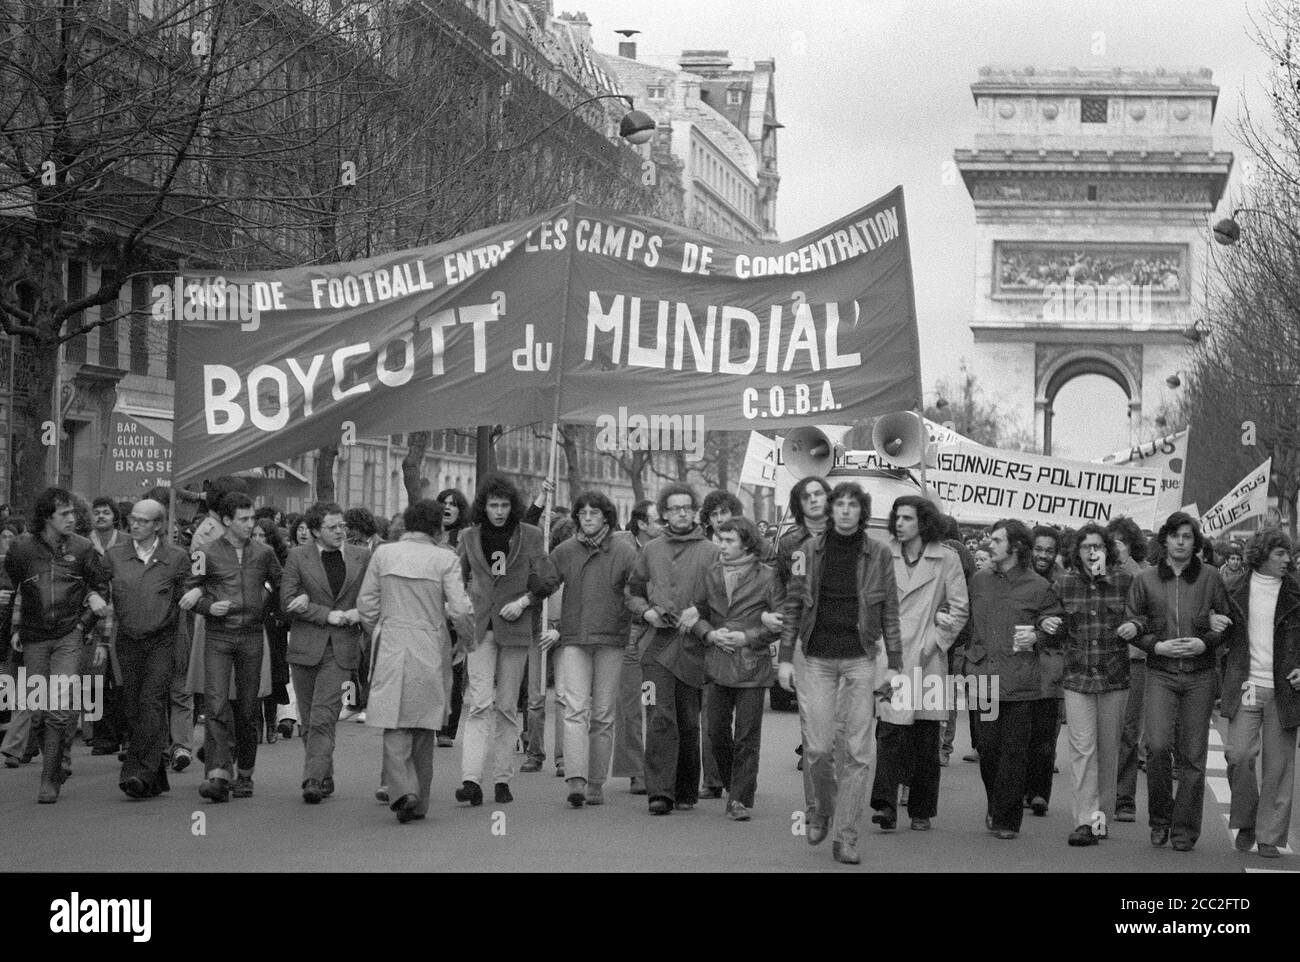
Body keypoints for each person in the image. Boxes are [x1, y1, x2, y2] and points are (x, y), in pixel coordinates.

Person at [777, 483, 902, 865]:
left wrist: (895, 665)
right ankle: (822, 808)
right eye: (840, 504)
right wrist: (784, 657)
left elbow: (891, 612)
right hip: (816, 659)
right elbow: (794, 604)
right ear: (830, 511)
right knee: (817, 748)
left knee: (858, 752)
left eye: (853, 505)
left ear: (861, 512)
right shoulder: (805, 552)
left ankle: (846, 836)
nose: (845, 511)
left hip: (861, 659)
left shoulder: (879, 552)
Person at [1120, 510, 1232, 852]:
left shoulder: (1211, 578)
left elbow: (1228, 624)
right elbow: (1133, 623)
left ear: (1195, 542)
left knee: (1193, 757)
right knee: (1155, 748)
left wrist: (1206, 642)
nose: (1181, 542)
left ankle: (1184, 830)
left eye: (1187, 537)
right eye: (1175, 536)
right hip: (1160, 673)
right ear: (1165, 540)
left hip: (1199, 675)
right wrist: (1156, 644)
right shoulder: (1146, 579)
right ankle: (1160, 820)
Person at [358, 499, 473, 823]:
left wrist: (380, 627)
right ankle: (418, 799)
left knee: (394, 723)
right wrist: (466, 640)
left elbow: (366, 605)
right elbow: (460, 609)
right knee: (424, 723)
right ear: (438, 527)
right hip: (430, 641)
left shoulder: (384, 554)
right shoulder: (445, 558)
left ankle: (401, 789)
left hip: (393, 639)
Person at [455, 474, 558, 806]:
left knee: (507, 707)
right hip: (480, 626)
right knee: (479, 704)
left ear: (512, 507)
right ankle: (471, 779)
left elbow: (549, 578)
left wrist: (525, 602)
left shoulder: (530, 535)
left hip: (514, 627)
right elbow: (459, 577)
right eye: (492, 505)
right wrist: (462, 607)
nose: (498, 511)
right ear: (483, 507)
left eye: (504, 505)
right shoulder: (469, 537)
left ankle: (502, 779)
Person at [870, 496, 969, 833]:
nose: (899, 523)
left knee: (926, 737)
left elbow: (959, 610)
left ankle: (922, 809)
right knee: (889, 731)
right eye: (897, 517)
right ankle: (884, 805)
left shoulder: (946, 558)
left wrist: (934, 643)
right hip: (893, 653)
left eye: (908, 518)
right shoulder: (884, 553)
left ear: (923, 521)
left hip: (927, 657)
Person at [5, 487, 109, 802]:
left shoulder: (84, 548)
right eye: (64, 513)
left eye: (73, 512)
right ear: (47, 517)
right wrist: (14, 628)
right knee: (37, 711)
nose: (72, 518)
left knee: (59, 707)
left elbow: (102, 587)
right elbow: (12, 589)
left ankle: (49, 779)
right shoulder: (22, 550)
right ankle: (57, 757)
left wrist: (84, 624)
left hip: (69, 635)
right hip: (34, 637)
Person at [964, 519, 1063, 840]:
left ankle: (1007, 818)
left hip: (1021, 682)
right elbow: (966, 623)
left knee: (1015, 752)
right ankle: (997, 802)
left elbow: (1056, 626)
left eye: (996, 540)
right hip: (984, 680)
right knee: (989, 749)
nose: (989, 544)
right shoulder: (979, 580)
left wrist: (1039, 633)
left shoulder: (1039, 587)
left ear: (1016, 547)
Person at [625, 482, 719, 815]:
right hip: (655, 646)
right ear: (664, 514)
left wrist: (701, 610)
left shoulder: (711, 551)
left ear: (694, 512)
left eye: (686, 508)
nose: (681, 513)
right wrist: (645, 610)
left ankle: (685, 788)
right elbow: (632, 591)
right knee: (659, 717)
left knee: (689, 721)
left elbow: (721, 597)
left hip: (693, 647)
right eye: (674, 508)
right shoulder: (651, 550)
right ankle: (659, 791)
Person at [184, 492, 282, 802]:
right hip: (218, 635)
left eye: (252, 518)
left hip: (252, 635)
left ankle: (245, 774)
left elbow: (282, 586)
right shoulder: (205, 551)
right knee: (215, 703)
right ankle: (217, 774)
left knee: (247, 708)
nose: (250, 524)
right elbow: (189, 592)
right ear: (227, 521)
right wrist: (209, 606)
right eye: (244, 519)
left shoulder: (264, 553)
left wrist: (267, 610)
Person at [542, 491, 637, 808]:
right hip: (574, 637)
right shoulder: (564, 551)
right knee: (573, 708)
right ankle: (576, 780)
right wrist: (535, 573)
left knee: (603, 714)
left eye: (594, 512)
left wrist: (637, 609)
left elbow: (635, 592)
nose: (587, 517)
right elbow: (545, 583)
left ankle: (596, 781)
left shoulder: (624, 553)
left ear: (607, 517)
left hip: (612, 638)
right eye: (582, 512)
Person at [1044, 523, 1137, 846]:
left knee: (1107, 751)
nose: (1092, 552)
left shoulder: (1125, 581)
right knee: (1082, 749)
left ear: (1107, 550)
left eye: (1097, 546)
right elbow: (1049, 619)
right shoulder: (1064, 583)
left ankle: (1101, 817)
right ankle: (1085, 821)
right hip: (1077, 676)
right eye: (1086, 547)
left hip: (1114, 677)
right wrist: (1047, 621)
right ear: (1078, 552)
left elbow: (1144, 614)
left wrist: (1134, 624)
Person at [692, 517, 783, 821]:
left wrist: (749, 636)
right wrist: (709, 633)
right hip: (717, 662)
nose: (721, 545)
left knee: (747, 735)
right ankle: (736, 785)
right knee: (716, 730)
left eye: (729, 540)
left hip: (751, 666)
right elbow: (699, 613)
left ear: (746, 542)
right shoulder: (710, 572)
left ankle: (739, 799)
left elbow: (781, 620)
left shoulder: (768, 576)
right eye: (720, 539)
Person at [281, 502, 371, 804]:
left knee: (323, 716)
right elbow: (288, 599)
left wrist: (358, 613)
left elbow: (374, 596)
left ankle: (312, 780)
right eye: (333, 527)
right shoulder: (297, 556)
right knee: (307, 719)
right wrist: (324, 613)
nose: (340, 532)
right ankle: (325, 773)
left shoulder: (362, 556)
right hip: (305, 647)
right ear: (316, 530)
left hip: (342, 648)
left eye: (343, 526)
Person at [102, 499, 190, 799]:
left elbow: (188, 594)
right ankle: (155, 777)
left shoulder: (177, 557)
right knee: (132, 704)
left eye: (143, 520)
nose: (135, 524)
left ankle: (136, 772)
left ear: (158, 525)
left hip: (161, 640)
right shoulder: (115, 556)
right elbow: (100, 589)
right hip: (127, 639)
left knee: (151, 702)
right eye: (133, 519)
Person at [1220, 528, 1300, 859]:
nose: (1288, 559)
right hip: (1247, 686)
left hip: (1285, 689)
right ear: (1263, 555)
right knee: (1238, 756)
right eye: (1281, 553)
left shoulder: (1297, 593)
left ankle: (1269, 836)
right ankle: (1246, 819)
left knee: (1278, 769)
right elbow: (1220, 636)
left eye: (1289, 554)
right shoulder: (1235, 589)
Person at [612, 500, 662, 794]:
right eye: (658, 520)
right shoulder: (622, 547)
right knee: (630, 704)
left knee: (655, 702)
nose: (665, 525)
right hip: (629, 631)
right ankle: (636, 771)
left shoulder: (668, 547)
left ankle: (658, 766)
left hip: (659, 631)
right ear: (642, 524)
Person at [1109, 515, 1149, 823]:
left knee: (1128, 731)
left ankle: (1124, 798)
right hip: (1102, 661)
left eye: (1119, 543)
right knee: (1100, 731)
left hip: (1134, 662)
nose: (1113, 548)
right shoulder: (1099, 575)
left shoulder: (1144, 576)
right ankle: (1100, 793)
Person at [1025, 524, 1065, 817]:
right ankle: (1019, 786)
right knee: (1017, 735)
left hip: (1051, 665)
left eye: (1049, 550)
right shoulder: (1017, 577)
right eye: (1038, 549)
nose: (1043, 555)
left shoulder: (1063, 582)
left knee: (1044, 737)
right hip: (1018, 665)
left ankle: (1039, 793)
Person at [252, 518, 294, 744]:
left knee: (273, 677)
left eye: (263, 536)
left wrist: (282, 619)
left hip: (274, 626)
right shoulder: (246, 558)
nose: (258, 540)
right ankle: (256, 724)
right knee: (254, 674)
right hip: (254, 624)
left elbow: (286, 591)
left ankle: (271, 723)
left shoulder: (281, 561)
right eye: (255, 535)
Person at [434, 488, 470, 749]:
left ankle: (447, 728)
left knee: (454, 670)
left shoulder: (466, 538)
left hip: (455, 607)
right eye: (444, 503)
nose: (448, 507)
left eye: (453, 504)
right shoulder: (428, 535)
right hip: (429, 608)